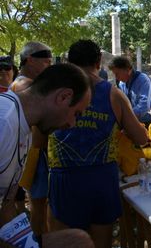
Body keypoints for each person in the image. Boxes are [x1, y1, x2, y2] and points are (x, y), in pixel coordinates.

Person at [47, 40, 148, 248]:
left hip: (65, 177)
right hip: (101, 179)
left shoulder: (53, 94)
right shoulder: (113, 94)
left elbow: (37, 139)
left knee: (65, 242)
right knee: (100, 243)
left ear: (68, 61)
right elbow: (140, 138)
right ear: (99, 61)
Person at [0, 63, 94, 247]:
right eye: (76, 114)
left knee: (78, 241)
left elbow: (7, 205)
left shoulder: (25, 126)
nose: (73, 124)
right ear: (63, 97)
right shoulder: (4, 122)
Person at [9, 41, 54, 238]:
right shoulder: (26, 85)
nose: (49, 67)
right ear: (30, 60)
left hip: (33, 152)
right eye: (46, 62)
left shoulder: (20, 83)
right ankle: (40, 240)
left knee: (39, 202)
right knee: (38, 203)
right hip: (34, 153)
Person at [108, 56, 151, 127]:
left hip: (147, 122)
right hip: (132, 121)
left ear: (127, 70)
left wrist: (125, 116)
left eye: (117, 74)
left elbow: (144, 106)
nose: (116, 77)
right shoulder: (122, 83)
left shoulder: (143, 80)